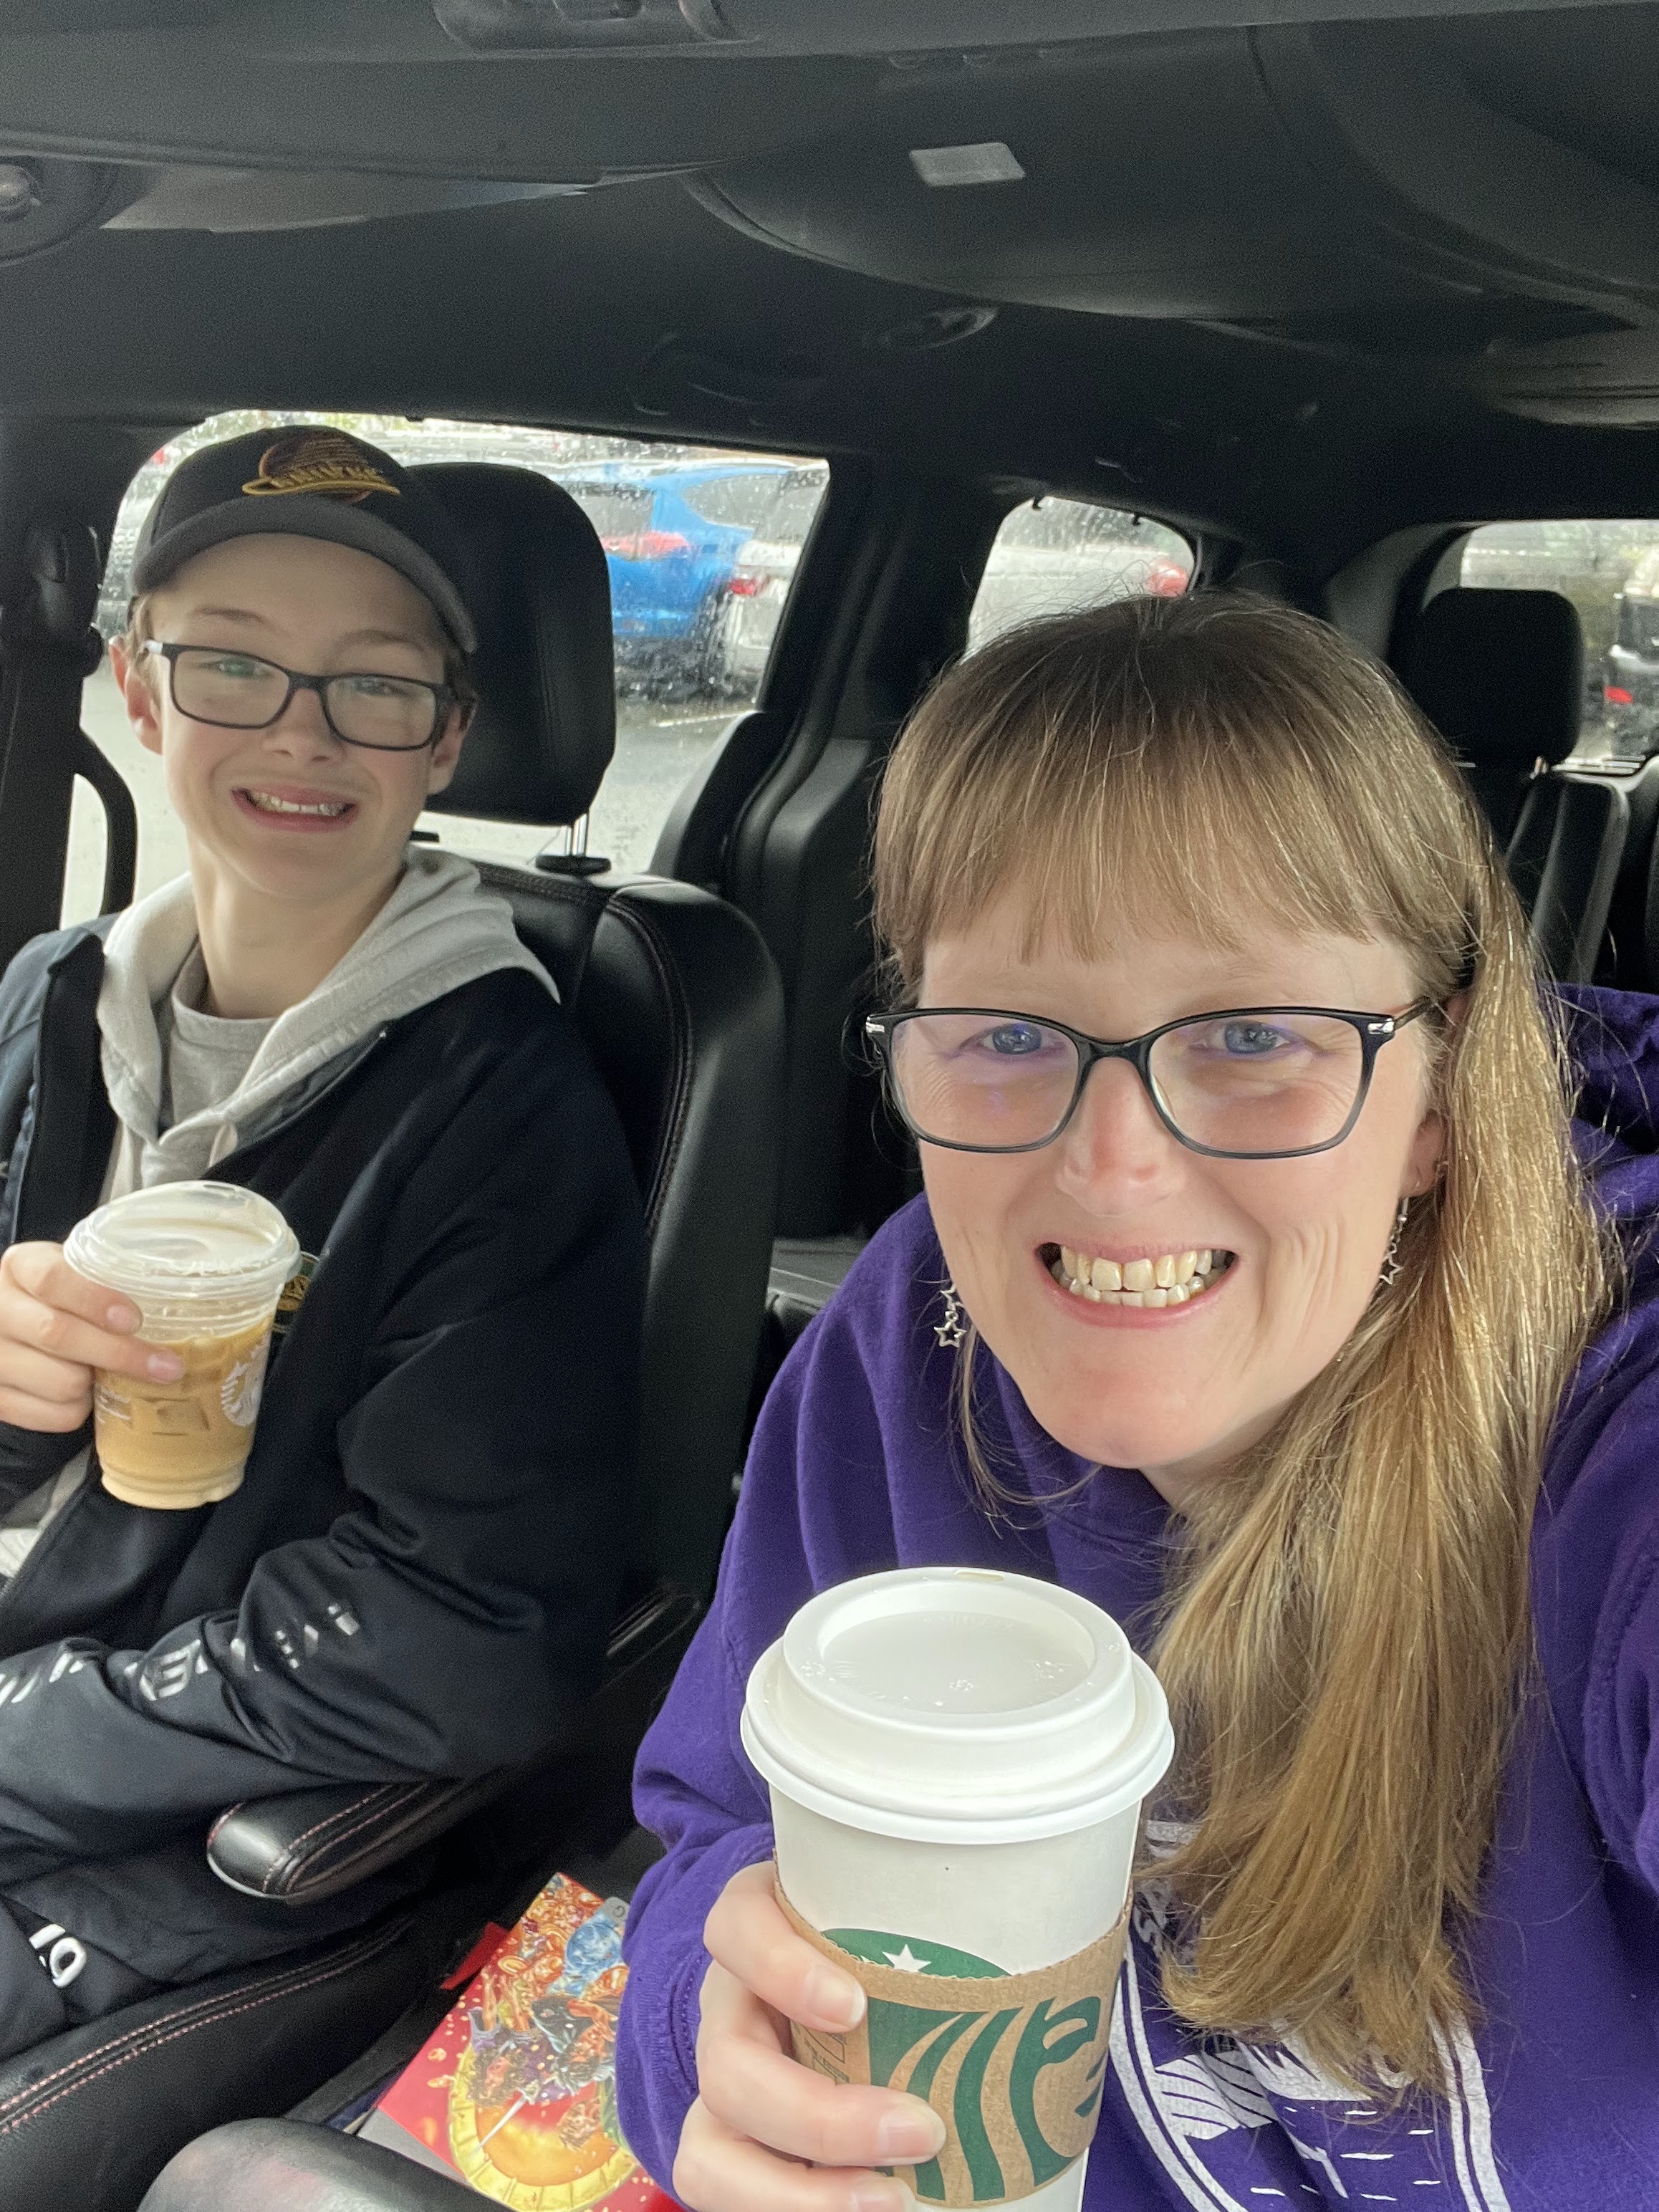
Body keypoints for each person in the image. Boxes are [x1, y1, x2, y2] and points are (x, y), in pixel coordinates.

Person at [615, 592, 1659, 2209]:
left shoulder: (1607, 1436)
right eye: (1008, 1034)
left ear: (1438, 1097)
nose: (1114, 1169)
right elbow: (726, 1833)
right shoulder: (915, 1339)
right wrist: (716, 2029)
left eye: (1253, 1035)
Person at [0, 426, 643, 2055]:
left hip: (183, 1821)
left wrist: (24, 1737)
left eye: (375, 683)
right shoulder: (49, 1000)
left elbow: (455, 1631)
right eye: (234, 665)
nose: (304, 731)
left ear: (448, 735)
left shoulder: (502, 1103)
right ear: (140, 691)